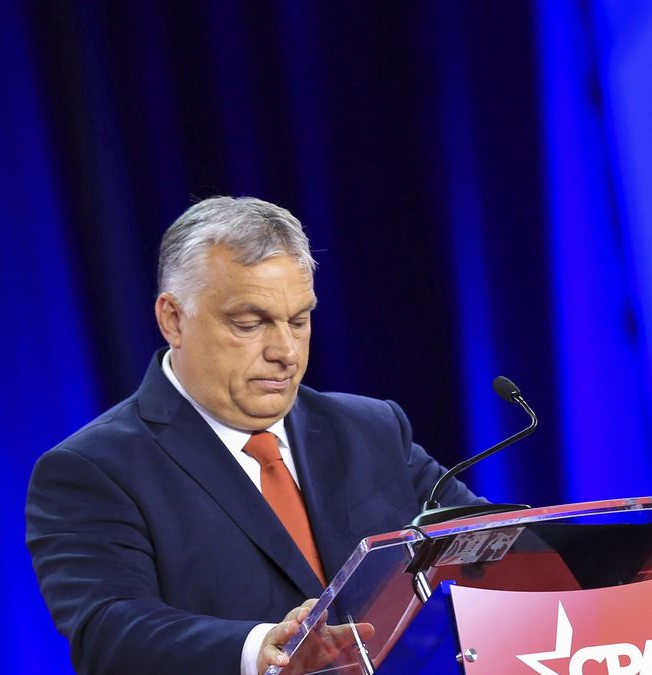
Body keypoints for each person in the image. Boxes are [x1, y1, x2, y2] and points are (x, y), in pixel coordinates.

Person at [26, 196, 484, 675]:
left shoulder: (370, 428)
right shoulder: (93, 469)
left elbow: (484, 541)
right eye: (249, 324)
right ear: (173, 320)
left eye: (299, 320)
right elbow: (109, 630)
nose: (285, 351)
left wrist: (560, 551)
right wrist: (260, 646)